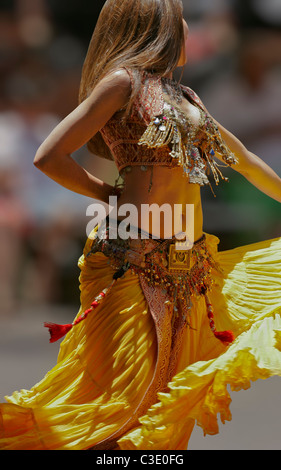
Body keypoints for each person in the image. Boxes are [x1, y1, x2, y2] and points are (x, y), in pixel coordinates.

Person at [1, 0, 281, 451]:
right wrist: (106, 195)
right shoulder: (122, 83)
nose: (192, 28)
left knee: (158, 414)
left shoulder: (187, 98)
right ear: (160, 28)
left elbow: (245, 161)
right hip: (130, 265)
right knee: (117, 409)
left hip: (191, 273)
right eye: (183, 18)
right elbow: (49, 155)